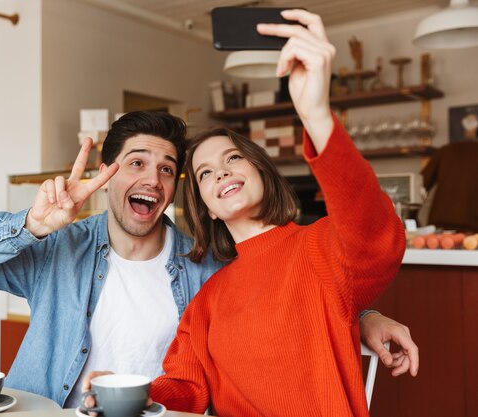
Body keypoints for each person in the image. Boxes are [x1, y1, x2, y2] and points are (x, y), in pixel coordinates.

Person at [0, 100, 416, 407]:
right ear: (107, 175)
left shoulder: (208, 267)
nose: (152, 180)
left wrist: (358, 312)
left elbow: (294, 281)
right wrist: (30, 225)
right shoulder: (59, 247)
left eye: (168, 170)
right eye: (136, 163)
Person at [132, 9, 406, 417]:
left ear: (261, 169)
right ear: (205, 207)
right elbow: (186, 389)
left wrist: (315, 115)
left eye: (233, 158)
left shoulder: (320, 248)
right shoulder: (207, 300)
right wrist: (131, 396)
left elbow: (375, 235)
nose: (221, 171)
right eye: (205, 173)